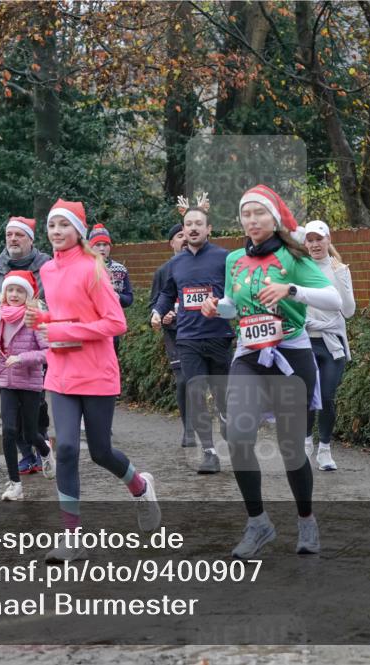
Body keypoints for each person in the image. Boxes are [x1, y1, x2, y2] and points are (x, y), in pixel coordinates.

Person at [201, 184, 341, 559]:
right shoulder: (234, 260)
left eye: (259, 213)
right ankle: (258, 523)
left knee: (292, 448)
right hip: (248, 355)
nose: (252, 220)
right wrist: (217, 307)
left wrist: (291, 290)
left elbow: (335, 300)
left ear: (274, 218)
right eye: (246, 214)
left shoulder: (293, 256)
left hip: (291, 355)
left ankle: (306, 520)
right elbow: (233, 305)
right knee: (238, 435)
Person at [24, 198, 159, 562]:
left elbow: (116, 323)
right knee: (66, 449)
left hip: (97, 372)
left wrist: (64, 330)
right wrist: (43, 321)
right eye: (52, 225)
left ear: (78, 231)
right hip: (61, 373)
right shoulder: (47, 270)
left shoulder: (93, 269)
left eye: (64, 225)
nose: (56, 231)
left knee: (100, 452)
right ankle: (73, 538)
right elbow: (61, 316)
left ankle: (140, 486)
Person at [153, 192, 233, 474]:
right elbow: (167, 293)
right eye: (189, 224)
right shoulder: (175, 264)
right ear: (184, 230)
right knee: (195, 393)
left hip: (219, 335)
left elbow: (236, 293)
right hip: (187, 339)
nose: (194, 228)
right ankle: (209, 453)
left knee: (221, 394)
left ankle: (226, 418)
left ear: (209, 228)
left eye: (199, 223)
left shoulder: (224, 258)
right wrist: (157, 312)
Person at [0, 215, 51, 473]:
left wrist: (42, 313)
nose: (13, 239)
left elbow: (61, 298)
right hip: (4, 348)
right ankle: (27, 454)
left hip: (37, 342)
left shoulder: (47, 266)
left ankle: (41, 443)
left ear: (30, 239)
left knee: (36, 405)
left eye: (19, 235)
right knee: (10, 413)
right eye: (9, 235)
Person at [0, 270, 54, 501]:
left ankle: (45, 451)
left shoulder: (34, 319)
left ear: (28, 295)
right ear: (4, 294)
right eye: (10, 290)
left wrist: (22, 358)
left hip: (30, 382)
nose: (14, 294)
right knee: (9, 431)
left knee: (30, 433)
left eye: (20, 291)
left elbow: (48, 353)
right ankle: (15, 484)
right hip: (6, 381)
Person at [303, 220, 356, 471]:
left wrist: (341, 277)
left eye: (319, 239)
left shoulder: (339, 269)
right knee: (305, 396)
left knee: (326, 396)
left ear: (328, 240)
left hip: (332, 343)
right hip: (303, 341)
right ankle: (305, 444)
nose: (315, 244)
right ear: (305, 243)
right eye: (310, 240)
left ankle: (324, 450)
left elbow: (349, 311)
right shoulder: (299, 268)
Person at [148, 221, 196, 447]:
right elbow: (154, 305)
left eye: (186, 234)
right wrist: (161, 315)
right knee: (184, 380)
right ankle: (189, 430)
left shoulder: (204, 265)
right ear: (171, 243)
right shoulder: (163, 272)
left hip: (203, 330)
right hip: (176, 334)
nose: (184, 239)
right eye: (179, 236)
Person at [87, 223, 133, 353]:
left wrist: (118, 297)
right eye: (97, 245)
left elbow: (129, 298)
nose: (102, 248)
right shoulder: (83, 268)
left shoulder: (120, 269)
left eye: (105, 244)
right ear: (90, 247)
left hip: (112, 326)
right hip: (89, 325)